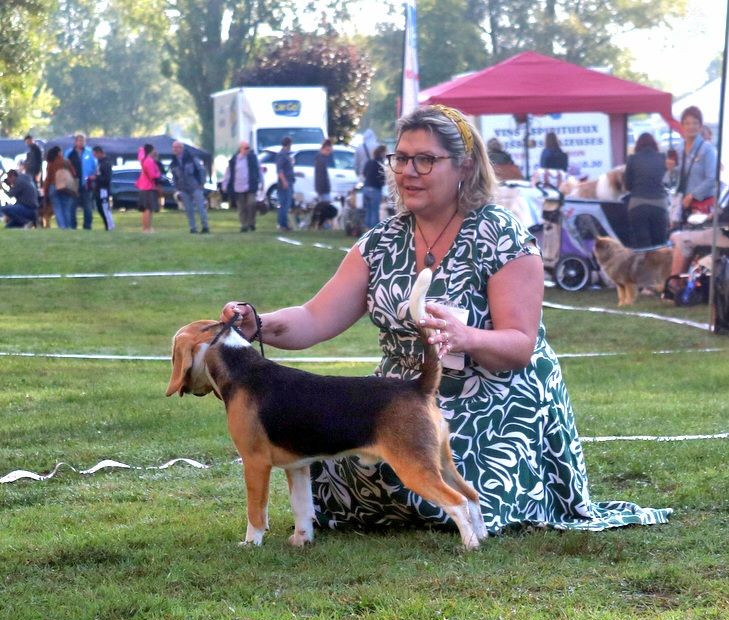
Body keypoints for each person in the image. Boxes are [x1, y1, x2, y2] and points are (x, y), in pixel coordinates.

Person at [220, 104, 671, 536]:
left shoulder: (502, 234)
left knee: (422, 481)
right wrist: (256, 324)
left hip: (497, 399)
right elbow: (314, 318)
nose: (408, 171)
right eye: (401, 158)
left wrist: (465, 335)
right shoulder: (379, 242)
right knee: (339, 457)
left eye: (425, 160)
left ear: (465, 167)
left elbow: (520, 346)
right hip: (399, 398)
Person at [669, 106, 720, 276]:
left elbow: (712, 178)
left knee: (695, 244)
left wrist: (693, 195)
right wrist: (670, 169)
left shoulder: (707, 149)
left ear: (700, 126)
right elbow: (674, 178)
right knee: (679, 242)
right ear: (682, 125)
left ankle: (690, 282)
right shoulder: (677, 149)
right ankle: (678, 281)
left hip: (703, 206)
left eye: (695, 123)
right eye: (687, 123)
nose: (691, 126)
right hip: (683, 206)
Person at [624, 132, 668, 249]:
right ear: (654, 144)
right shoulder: (662, 158)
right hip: (659, 204)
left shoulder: (632, 159)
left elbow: (627, 185)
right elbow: (667, 180)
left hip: (637, 205)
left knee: (641, 247)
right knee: (660, 246)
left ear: (638, 145)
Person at [170, 140, 209, 234]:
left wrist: (201, 183)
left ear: (181, 148)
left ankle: (205, 227)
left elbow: (201, 170)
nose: (174, 149)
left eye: (176, 147)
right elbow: (174, 176)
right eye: (173, 147)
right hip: (183, 189)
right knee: (188, 210)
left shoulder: (191, 158)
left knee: (201, 208)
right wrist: (177, 188)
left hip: (195, 187)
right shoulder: (174, 162)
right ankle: (193, 228)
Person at [223, 141, 261, 232]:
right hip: (238, 187)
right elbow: (228, 173)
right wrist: (225, 184)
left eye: (249, 148)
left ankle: (251, 222)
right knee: (241, 207)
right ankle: (244, 225)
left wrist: (261, 182)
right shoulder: (234, 160)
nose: (248, 150)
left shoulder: (253, 158)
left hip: (250, 185)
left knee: (252, 203)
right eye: (246, 148)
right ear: (240, 149)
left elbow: (259, 170)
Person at [64, 133, 97, 230]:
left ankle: (87, 226)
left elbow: (95, 166)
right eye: (79, 140)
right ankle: (72, 226)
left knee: (87, 207)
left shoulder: (89, 152)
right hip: (73, 183)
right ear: (75, 142)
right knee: (72, 206)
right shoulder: (69, 153)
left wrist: (93, 175)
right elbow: (65, 167)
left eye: (83, 141)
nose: (81, 142)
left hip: (86, 184)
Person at [42, 146, 76, 229]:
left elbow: (48, 178)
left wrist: (45, 190)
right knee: (66, 208)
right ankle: (68, 228)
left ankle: (62, 227)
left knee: (57, 209)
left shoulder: (51, 162)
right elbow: (74, 174)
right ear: (59, 153)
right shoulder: (66, 161)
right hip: (66, 187)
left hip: (53, 187)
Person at [135, 144, 161, 233]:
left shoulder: (145, 160)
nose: (155, 151)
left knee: (148, 209)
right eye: (154, 149)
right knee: (148, 209)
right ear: (151, 150)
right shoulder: (149, 161)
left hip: (145, 187)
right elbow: (152, 175)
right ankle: (146, 228)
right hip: (149, 187)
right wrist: (159, 175)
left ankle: (148, 227)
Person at [362, 144, 386, 229]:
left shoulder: (369, 162)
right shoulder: (381, 164)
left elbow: (364, 173)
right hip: (375, 189)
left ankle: (366, 229)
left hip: (366, 188)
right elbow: (383, 179)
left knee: (368, 210)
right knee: (374, 211)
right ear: (382, 153)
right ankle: (373, 231)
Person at [91, 146, 115, 231]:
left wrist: (96, 178)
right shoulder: (99, 163)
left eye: (95, 154)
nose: (94, 157)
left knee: (105, 208)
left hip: (103, 190)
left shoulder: (106, 163)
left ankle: (110, 226)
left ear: (99, 153)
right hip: (99, 189)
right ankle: (107, 226)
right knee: (100, 208)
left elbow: (107, 178)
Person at [275, 136, 295, 231]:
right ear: (289, 144)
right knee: (284, 204)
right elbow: (280, 170)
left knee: (286, 203)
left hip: (289, 181)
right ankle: (282, 224)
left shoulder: (286, 155)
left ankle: (283, 223)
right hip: (285, 183)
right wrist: (284, 181)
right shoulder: (282, 155)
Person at [314, 139, 333, 203]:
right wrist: (323, 189)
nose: (329, 152)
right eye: (327, 150)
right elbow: (320, 177)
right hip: (323, 189)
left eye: (330, 150)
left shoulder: (321, 158)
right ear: (322, 149)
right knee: (326, 205)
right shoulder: (320, 159)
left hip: (323, 188)